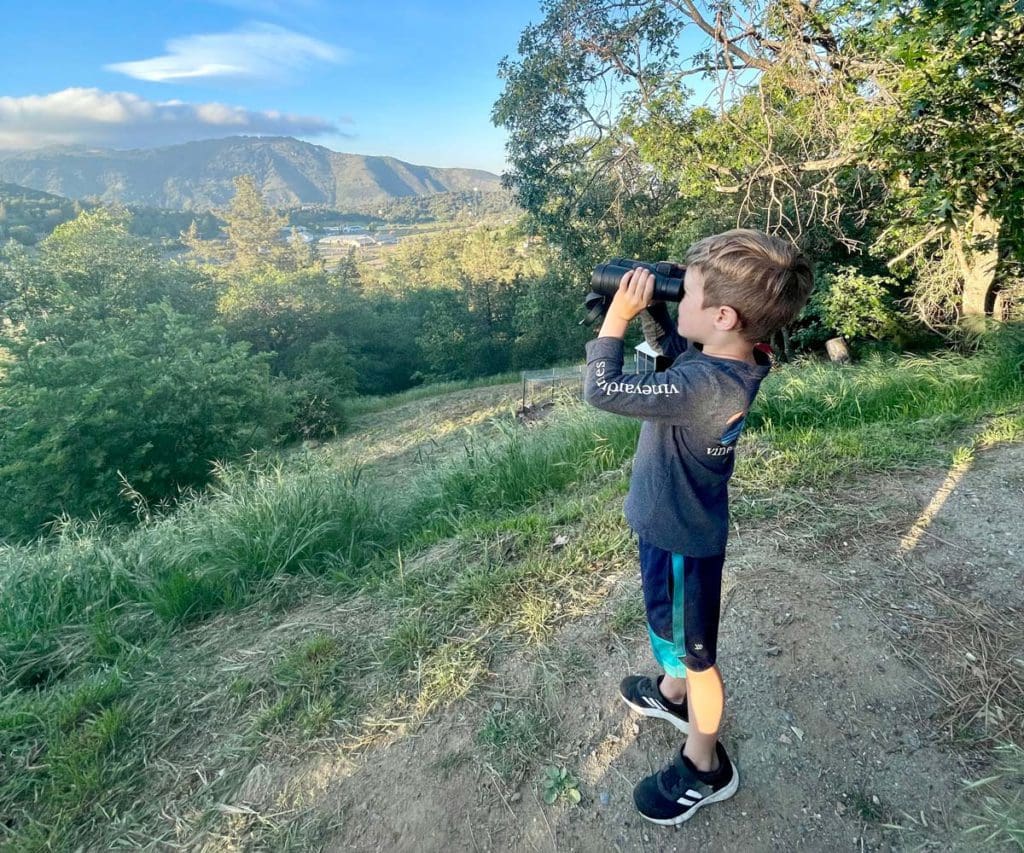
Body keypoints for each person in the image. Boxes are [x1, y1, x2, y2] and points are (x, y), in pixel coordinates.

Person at [582, 229, 814, 826]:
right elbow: (682, 355)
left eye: (683, 295)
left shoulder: (706, 388)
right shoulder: (724, 362)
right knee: (672, 630)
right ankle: (673, 694)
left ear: (723, 315)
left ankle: (705, 764)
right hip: (670, 525)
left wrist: (618, 316)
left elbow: (603, 390)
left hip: (683, 541)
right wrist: (662, 309)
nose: (676, 303)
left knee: (698, 653)